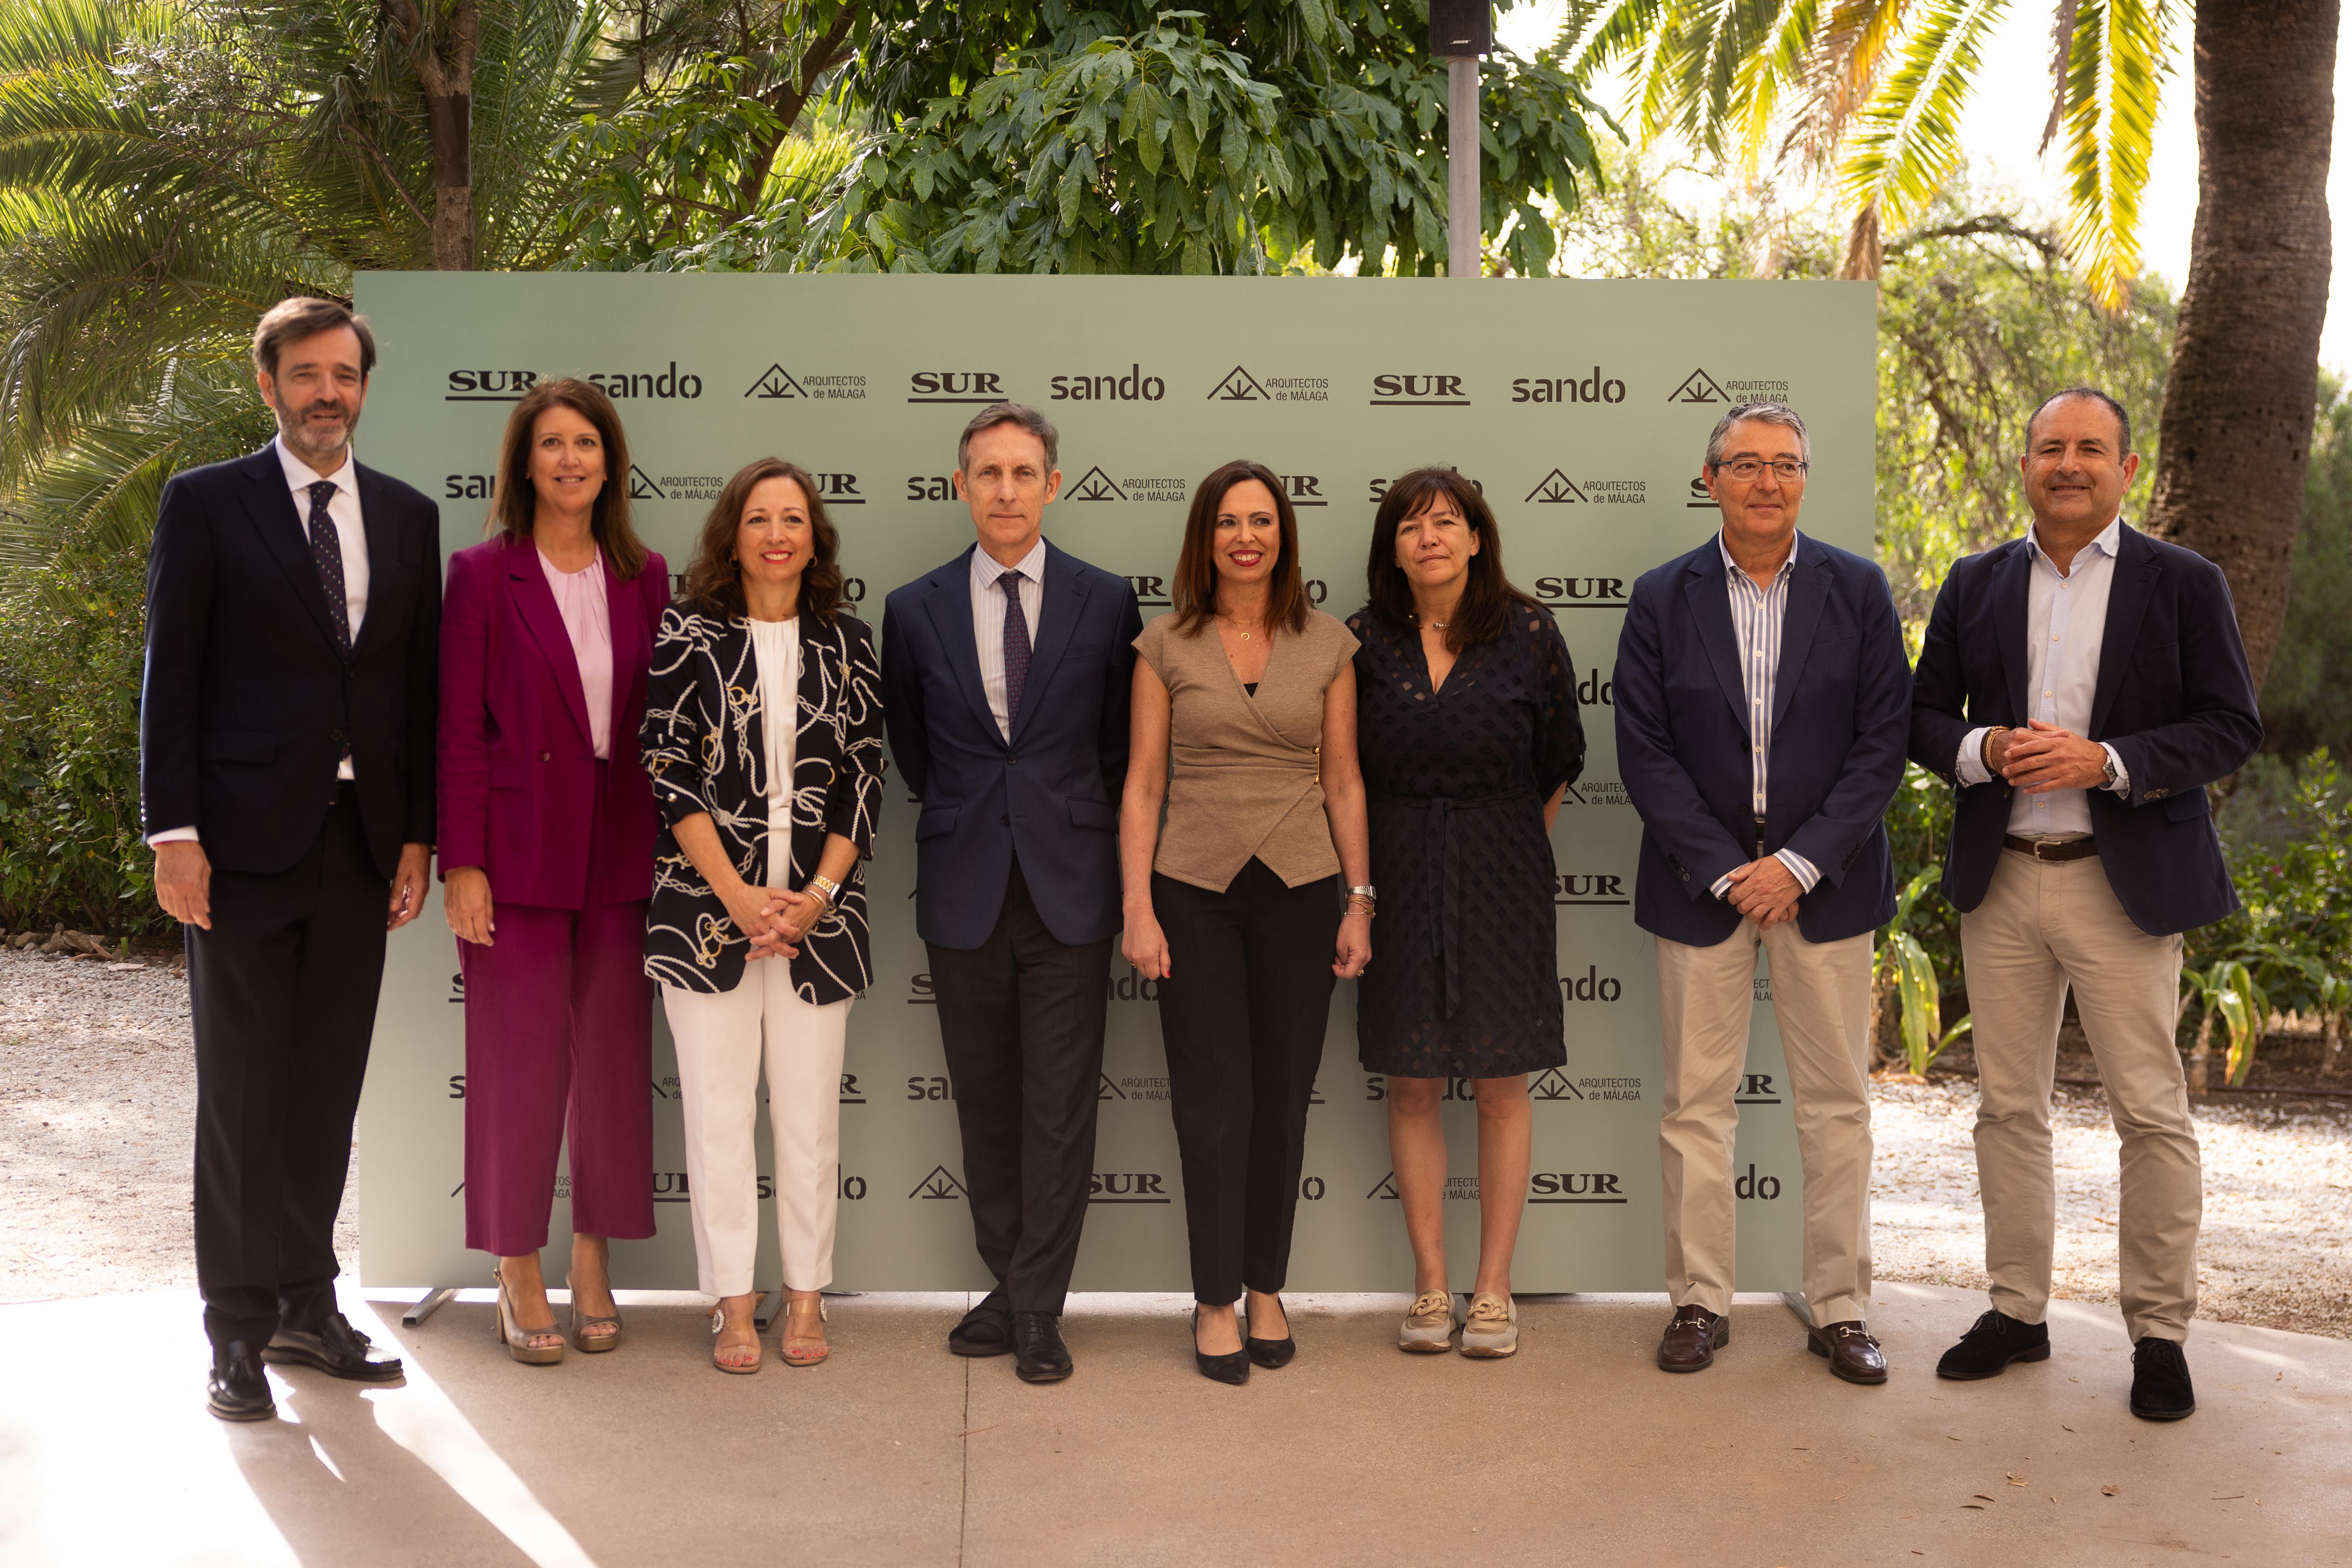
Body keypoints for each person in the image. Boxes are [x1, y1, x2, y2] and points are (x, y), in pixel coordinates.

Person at [1909, 388, 2262, 1421]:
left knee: (2150, 1113)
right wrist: (1981, 750)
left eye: (2089, 449)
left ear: (2127, 467)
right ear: (2024, 464)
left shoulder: (2184, 581)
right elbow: (1923, 715)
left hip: (2126, 885)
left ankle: (2158, 1332)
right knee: (2006, 1107)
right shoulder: (1974, 581)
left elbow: (2230, 725)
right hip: (2004, 873)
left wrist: (2109, 759)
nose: (2068, 463)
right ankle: (2017, 1311)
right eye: (2050, 447)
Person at [141, 296, 438, 1420]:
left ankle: (309, 1305)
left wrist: (415, 831)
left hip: (360, 850)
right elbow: (172, 678)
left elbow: (410, 687)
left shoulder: (407, 518)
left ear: (364, 386)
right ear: (268, 385)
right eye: (307, 374)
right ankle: (236, 1329)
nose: (329, 393)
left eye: (345, 374)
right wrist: (175, 832)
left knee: (323, 1089)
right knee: (242, 1093)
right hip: (240, 852)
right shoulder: (207, 504)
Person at [1614, 402, 1911, 1384]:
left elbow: (1880, 745)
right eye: (1745, 464)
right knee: (1697, 1108)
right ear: (1711, 480)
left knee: (1836, 1106)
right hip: (1701, 888)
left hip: (1821, 889)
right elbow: (1644, 752)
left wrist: (1798, 863)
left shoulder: (1858, 590)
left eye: (1784, 465)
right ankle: (1699, 1301)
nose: (1766, 481)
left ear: (1803, 481)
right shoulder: (1661, 597)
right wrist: (1726, 866)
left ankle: (1840, 1307)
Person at [880, 403, 1142, 1384]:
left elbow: (1118, 748)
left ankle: (1036, 1306)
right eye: (987, 472)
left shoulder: (1106, 600)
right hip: (963, 885)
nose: (1004, 490)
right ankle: (1015, 1278)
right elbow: (913, 748)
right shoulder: (912, 608)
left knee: (1061, 1108)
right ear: (961, 486)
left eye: (1022, 472)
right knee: (986, 1104)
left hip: (1070, 887)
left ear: (1053, 484)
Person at [1120, 460, 1373, 1384]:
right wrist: (1137, 906)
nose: (1245, 536)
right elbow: (1144, 782)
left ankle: (1267, 1284)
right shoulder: (1163, 646)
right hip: (1190, 887)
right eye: (1228, 521)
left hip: (1304, 887)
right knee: (1211, 1105)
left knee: (1280, 1098)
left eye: (1261, 520)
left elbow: (1343, 778)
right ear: (1206, 537)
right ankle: (1214, 1299)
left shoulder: (1330, 644)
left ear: (1283, 535)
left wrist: (1358, 898)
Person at [438, 379, 668, 1364]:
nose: (570, 459)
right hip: (518, 851)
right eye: (551, 444)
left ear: (611, 463)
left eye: (587, 443)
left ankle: (591, 1252)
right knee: (516, 1064)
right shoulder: (483, 574)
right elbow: (457, 731)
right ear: (523, 463)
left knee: (613, 1063)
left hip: (624, 847)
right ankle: (517, 1260)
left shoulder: (646, 572)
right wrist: (465, 863)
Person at [642, 458, 884, 1373]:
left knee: (811, 1117)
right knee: (715, 1114)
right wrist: (740, 896)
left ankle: (808, 1293)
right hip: (705, 918)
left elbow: (865, 776)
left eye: (793, 517)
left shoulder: (850, 641)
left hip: (823, 923)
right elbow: (667, 768)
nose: (777, 533)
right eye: (758, 517)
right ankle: (733, 1301)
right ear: (731, 534)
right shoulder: (686, 631)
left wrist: (814, 897)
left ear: (815, 535)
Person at [1347, 467, 1583, 1360]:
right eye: (1410, 527)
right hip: (1396, 870)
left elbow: (1559, 757)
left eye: (1446, 522)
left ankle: (1492, 1290)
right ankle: (1430, 1285)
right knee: (1409, 1080)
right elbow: (1344, 773)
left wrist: (1505, 842)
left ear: (1477, 538)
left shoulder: (1528, 633)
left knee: (1498, 1083)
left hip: (1503, 873)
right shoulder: (1362, 641)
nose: (1430, 538)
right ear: (1392, 550)